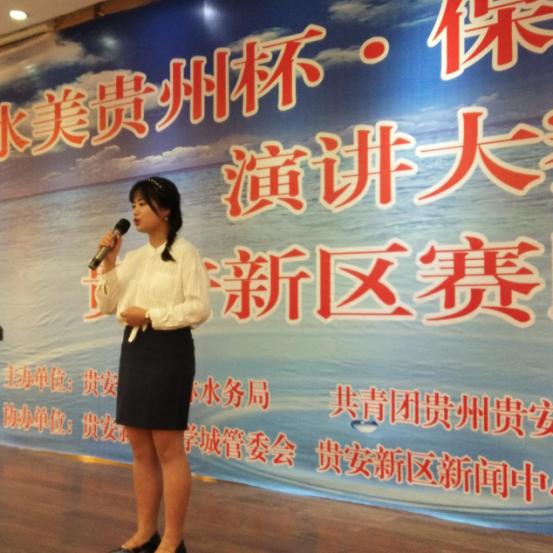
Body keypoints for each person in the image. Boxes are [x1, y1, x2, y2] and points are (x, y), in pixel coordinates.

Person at [96, 176, 211, 553]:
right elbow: (107, 306)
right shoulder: (134, 258)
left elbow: (199, 308)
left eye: (142, 204)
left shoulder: (185, 253)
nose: (135, 211)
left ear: (165, 210)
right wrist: (109, 264)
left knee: (167, 447)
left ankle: (173, 540)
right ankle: (146, 533)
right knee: (140, 448)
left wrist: (150, 315)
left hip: (169, 351)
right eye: (133, 204)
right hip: (135, 350)